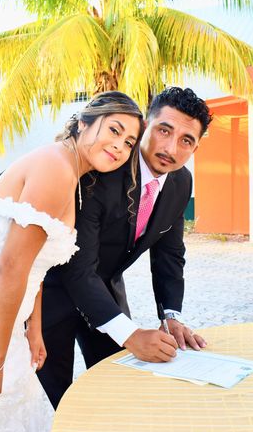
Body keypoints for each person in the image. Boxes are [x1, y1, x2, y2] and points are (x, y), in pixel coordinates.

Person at [0, 91, 145, 432]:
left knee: (21, 420)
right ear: (83, 123)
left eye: (130, 141)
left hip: (3, 317)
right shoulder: (55, 168)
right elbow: (10, 268)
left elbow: (34, 265)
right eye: (114, 130)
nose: (120, 145)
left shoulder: (69, 173)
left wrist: (34, 328)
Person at [39, 87, 212, 409]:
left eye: (186, 140)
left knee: (118, 388)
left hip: (105, 291)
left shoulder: (180, 181)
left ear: (195, 147)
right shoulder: (101, 169)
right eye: (164, 130)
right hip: (50, 293)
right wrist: (131, 335)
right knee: (53, 399)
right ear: (146, 125)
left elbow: (170, 254)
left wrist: (170, 315)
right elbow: (78, 267)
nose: (171, 148)